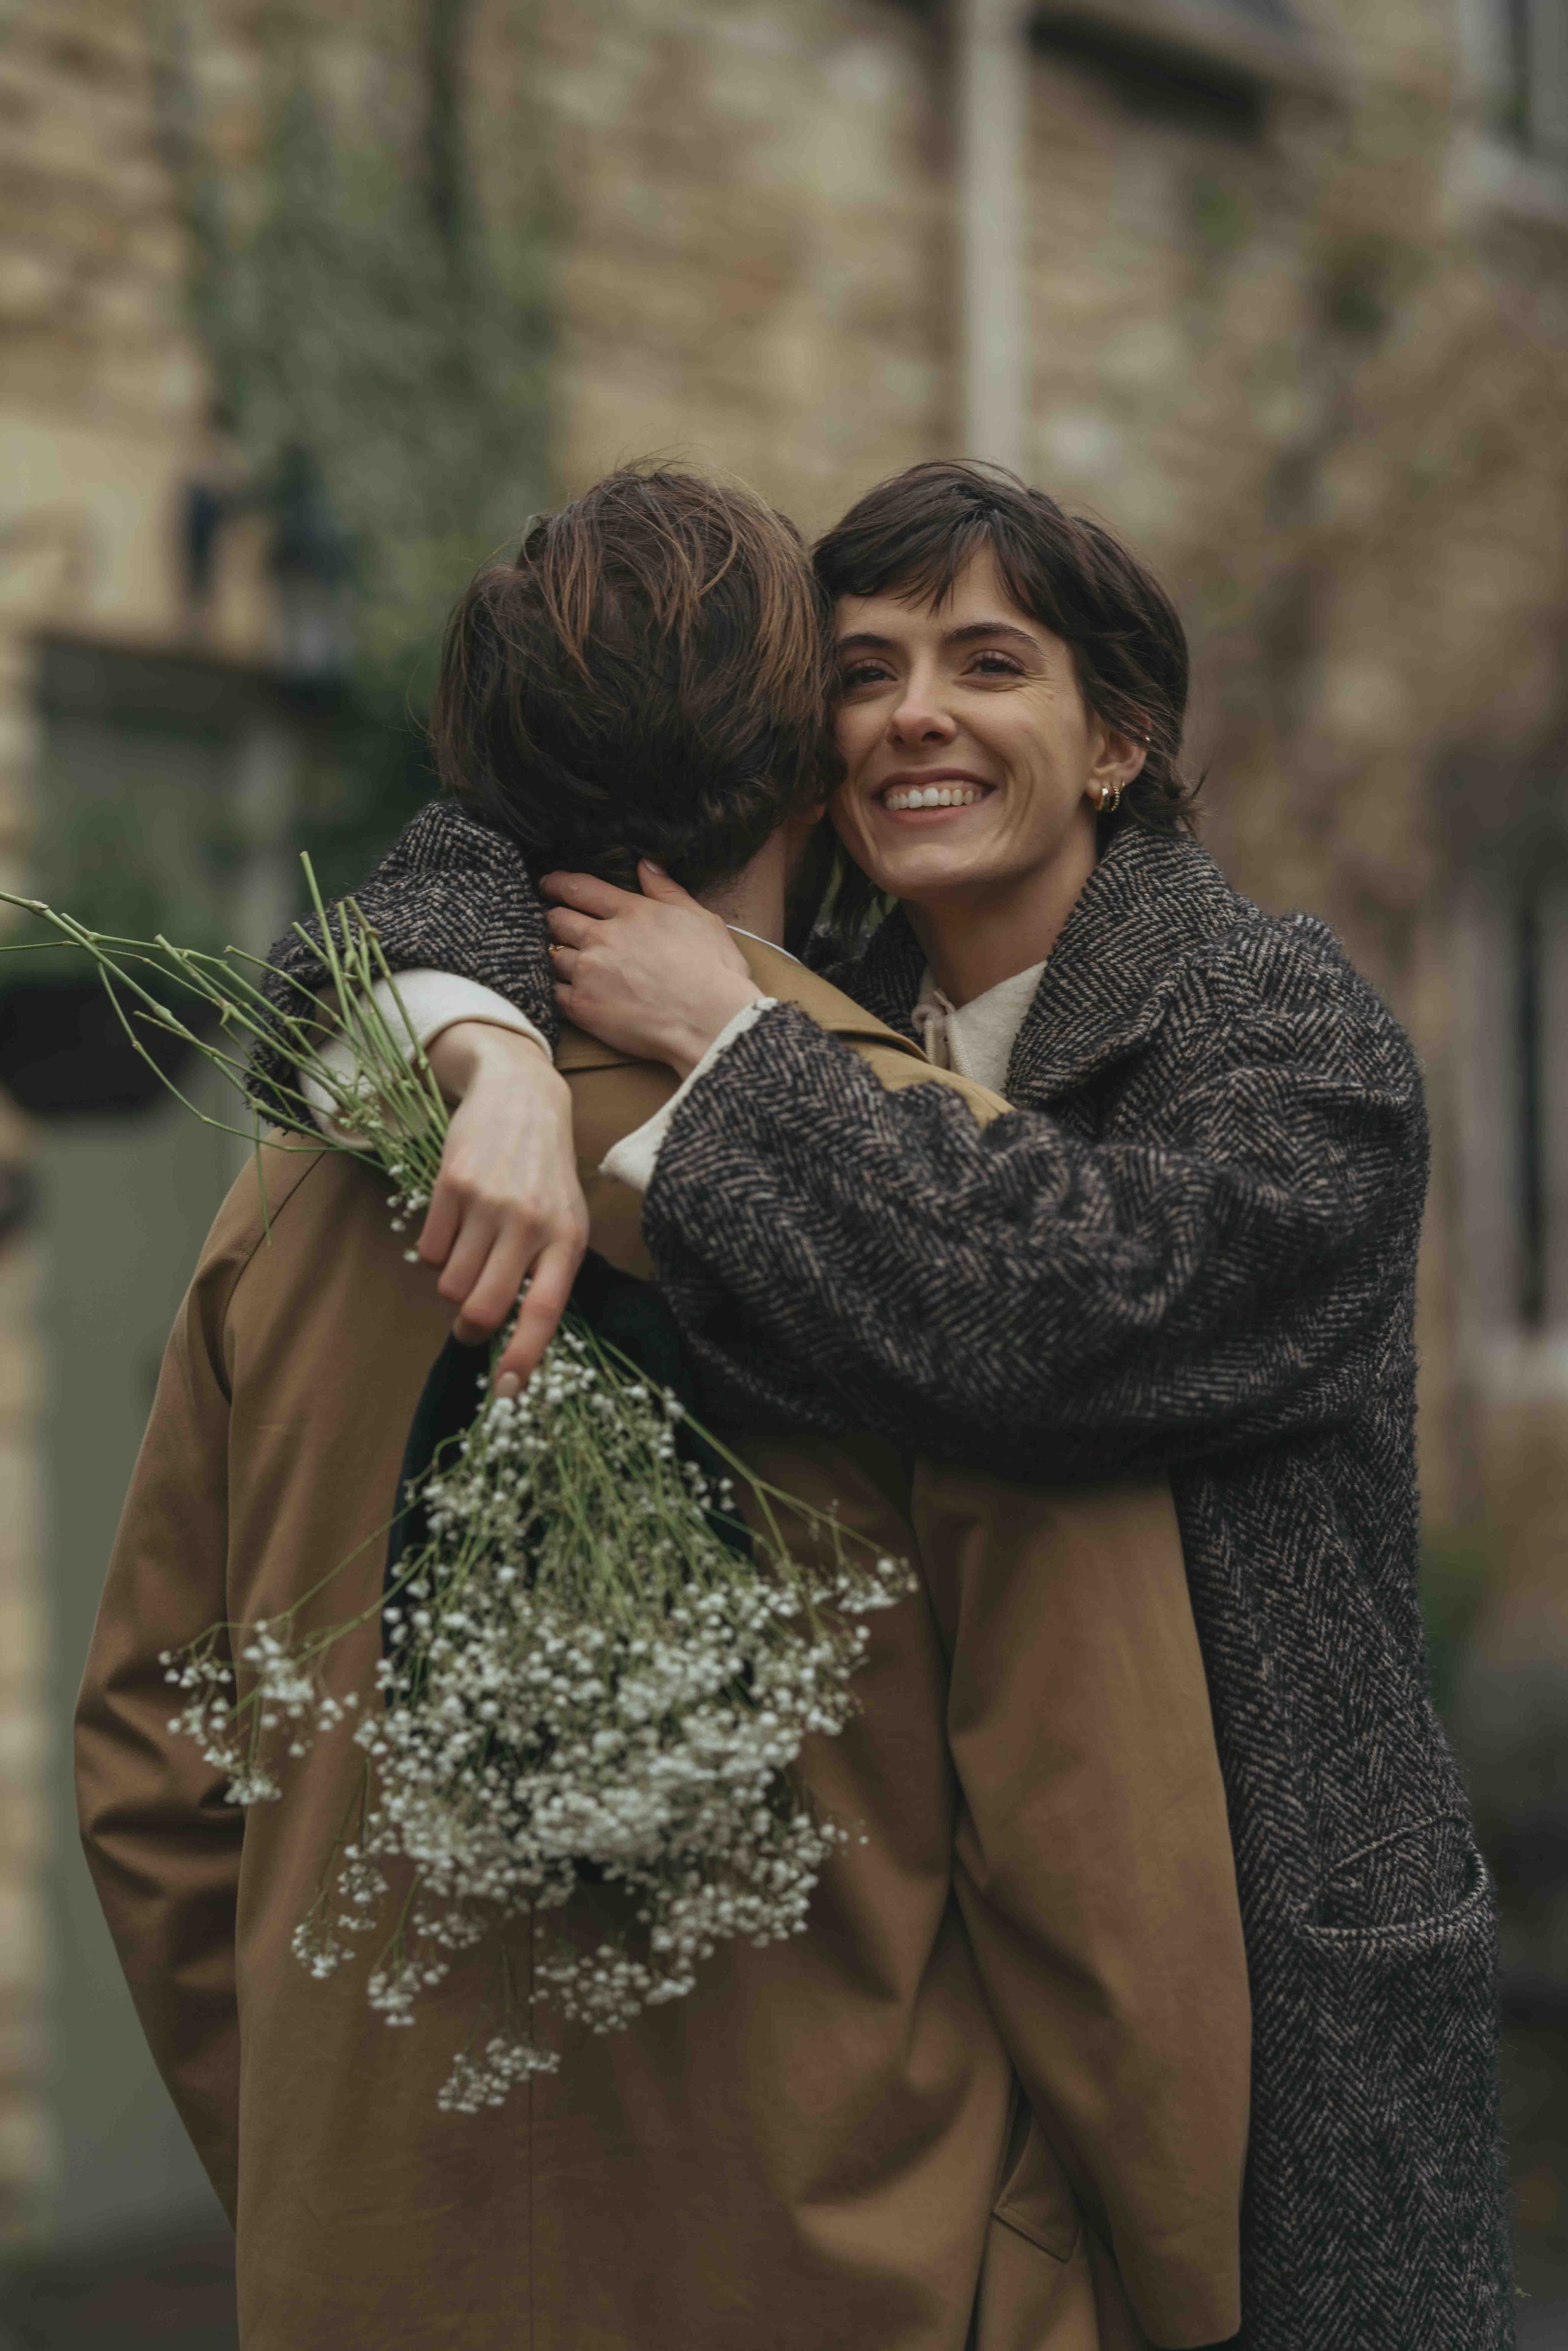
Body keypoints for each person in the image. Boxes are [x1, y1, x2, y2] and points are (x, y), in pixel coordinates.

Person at [285, 459, 1515, 2350]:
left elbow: (1073, 1308)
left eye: (988, 662)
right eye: (864, 670)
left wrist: (736, 1048)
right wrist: (494, 1053)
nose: (915, 711)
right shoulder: (798, 965)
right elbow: (410, 889)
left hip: (1271, 2008)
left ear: (1116, 742)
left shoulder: (1283, 1029)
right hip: (916, 2053)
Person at [78, 469, 1250, 2351]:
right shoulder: (950, 1199)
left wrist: (322, 2173)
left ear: (491, 785)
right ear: (816, 777)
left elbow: (151, 1778)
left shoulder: (289, 1210)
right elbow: (1101, 1860)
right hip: (868, 2279)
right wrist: (1165, 2294)